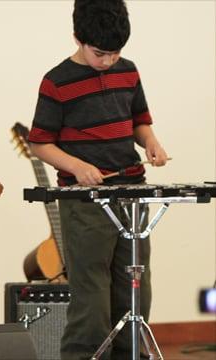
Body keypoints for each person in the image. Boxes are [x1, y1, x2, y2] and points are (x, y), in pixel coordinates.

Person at [28, 1, 167, 359]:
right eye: (100, 53)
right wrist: (75, 166)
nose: (108, 61)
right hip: (85, 200)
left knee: (135, 289)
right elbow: (40, 142)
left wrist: (150, 141)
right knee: (90, 295)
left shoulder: (129, 71)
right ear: (78, 37)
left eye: (116, 53)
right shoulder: (56, 81)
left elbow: (139, 121)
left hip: (131, 192)